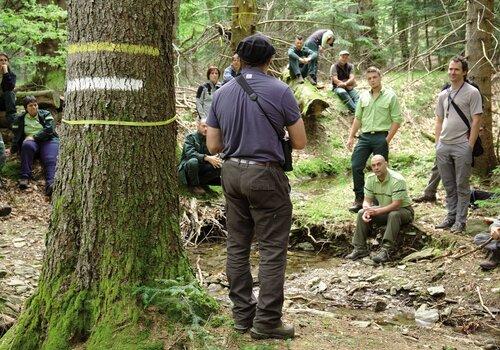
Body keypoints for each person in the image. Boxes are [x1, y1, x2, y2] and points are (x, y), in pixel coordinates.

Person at [206, 34, 306, 340]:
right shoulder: (280, 90)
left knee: (237, 245)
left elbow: (213, 144)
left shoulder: (221, 93)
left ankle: (241, 316)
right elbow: (300, 142)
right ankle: (267, 322)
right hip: (265, 176)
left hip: (232, 173)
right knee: (272, 249)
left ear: (239, 58)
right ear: (269, 60)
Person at [434, 56, 482, 233]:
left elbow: (476, 121)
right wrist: (437, 143)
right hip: (443, 146)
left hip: (462, 145)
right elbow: (439, 120)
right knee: (448, 185)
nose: (452, 72)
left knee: (462, 185)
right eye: (450, 69)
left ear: (464, 72)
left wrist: (469, 146)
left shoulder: (472, 92)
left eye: (456, 69)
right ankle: (451, 216)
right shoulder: (443, 94)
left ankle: (461, 221)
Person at [347, 67, 402, 213]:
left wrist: (386, 140)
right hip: (364, 137)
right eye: (369, 78)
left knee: (380, 169)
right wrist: (351, 136)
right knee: (356, 165)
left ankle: (380, 200)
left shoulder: (390, 96)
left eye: (374, 77)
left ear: (380, 77)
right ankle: (360, 199)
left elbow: (397, 120)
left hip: (380, 136)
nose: (372, 80)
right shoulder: (363, 96)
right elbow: (358, 118)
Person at [346, 155, 414, 263]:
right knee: (360, 213)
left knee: (393, 214)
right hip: (384, 208)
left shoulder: (397, 180)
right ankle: (360, 248)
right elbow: (367, 200)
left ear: (385, 164)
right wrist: (367, 209)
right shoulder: (370, 179)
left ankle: (386, 250)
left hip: (403, 210)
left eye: (379, 164)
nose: (376, 167)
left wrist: (377, 211)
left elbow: (396, 205)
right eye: (373, 165)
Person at [11, 96, 59, 196]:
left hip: (48, 140)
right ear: (26, 108)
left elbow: (49, 129)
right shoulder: (20, 119)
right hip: (32, 143)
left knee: (50, 158)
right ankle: (24, 177)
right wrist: (12, 149)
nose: (34, 107)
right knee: (26, 145)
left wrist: (35, 137)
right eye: (30, 105)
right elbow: (16, 135)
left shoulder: (46, 114)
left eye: (35, 105)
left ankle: (50, 184)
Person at [178, 118, 221, 195]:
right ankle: (194, 186)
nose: (206, 129)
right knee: (193, 161)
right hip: (188, 167)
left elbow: (216, 153)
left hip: (201, 168)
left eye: (208, 127)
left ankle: (201, 183)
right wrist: (206, 157)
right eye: (203, 126)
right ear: (198, 126)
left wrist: (216, 159)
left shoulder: (211, 139)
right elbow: (190, 153)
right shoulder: (191, 138)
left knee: (218, 165)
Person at [0, 52, 17, 190]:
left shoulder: (11, 75)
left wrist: (5, 72)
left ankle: (12, 119)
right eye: (0, 60)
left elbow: (9, 87)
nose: (3, 62)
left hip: (7, 106)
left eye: (5, 60)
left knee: (10, 92)